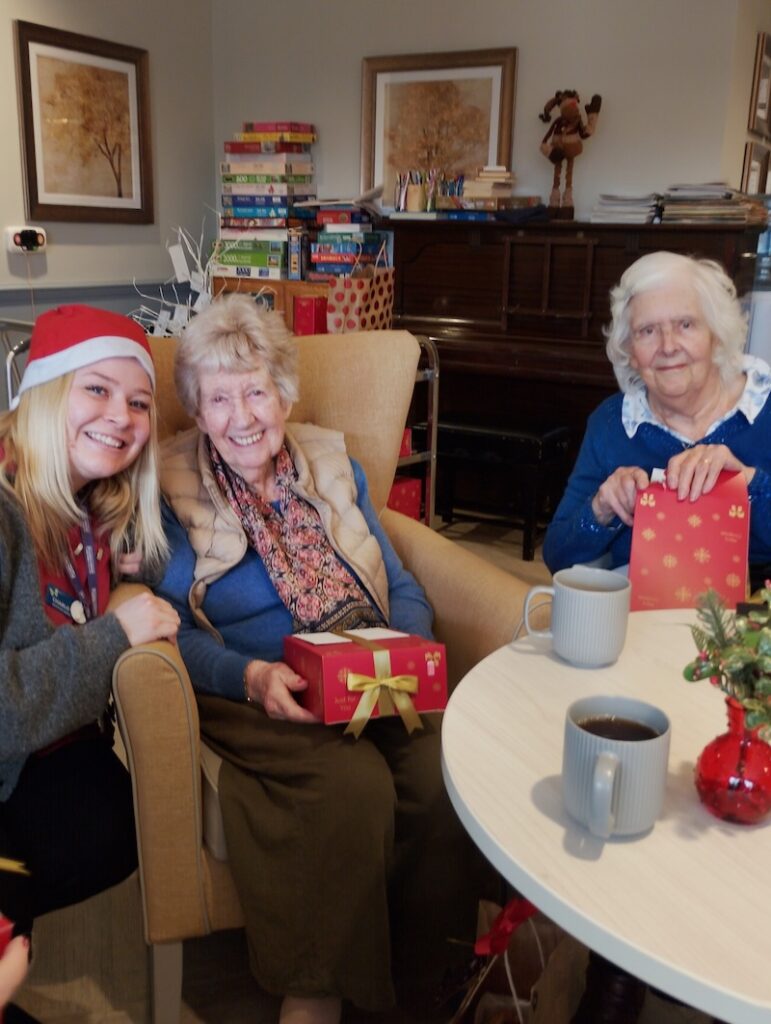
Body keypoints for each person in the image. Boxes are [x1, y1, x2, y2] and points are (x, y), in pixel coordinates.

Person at [156, 293, 490, 1024]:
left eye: (256, 390)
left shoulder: (332, 460)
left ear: (284, 392)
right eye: (219, 398)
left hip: (367, 665)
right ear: (196, 409)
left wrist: (403, 649)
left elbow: (397, 583)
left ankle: (425, 984)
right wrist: (246, 676)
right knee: (351, 788)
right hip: (255, 683)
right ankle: (320, 996)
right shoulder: (168, 485)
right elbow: (172, 628)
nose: (242, 415)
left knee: (443, 771)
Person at [0, 306, 180, 1014]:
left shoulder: (84, 506)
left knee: (111, 815)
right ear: (46, 391)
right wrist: (113, 631)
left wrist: (122, 570)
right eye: (97, 389)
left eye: (140, 401)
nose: (123, 416)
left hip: (36, 771)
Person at [543, 251, 771, 590]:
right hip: (642, 619)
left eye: (685, 325)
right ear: (630, 352)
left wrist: (748, 484)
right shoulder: (611, 423)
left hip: (753, 628)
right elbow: (557, 554)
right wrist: (602, 507)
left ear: (716, 335)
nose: (668, 346)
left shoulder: (763, 410)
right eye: (647, 331)